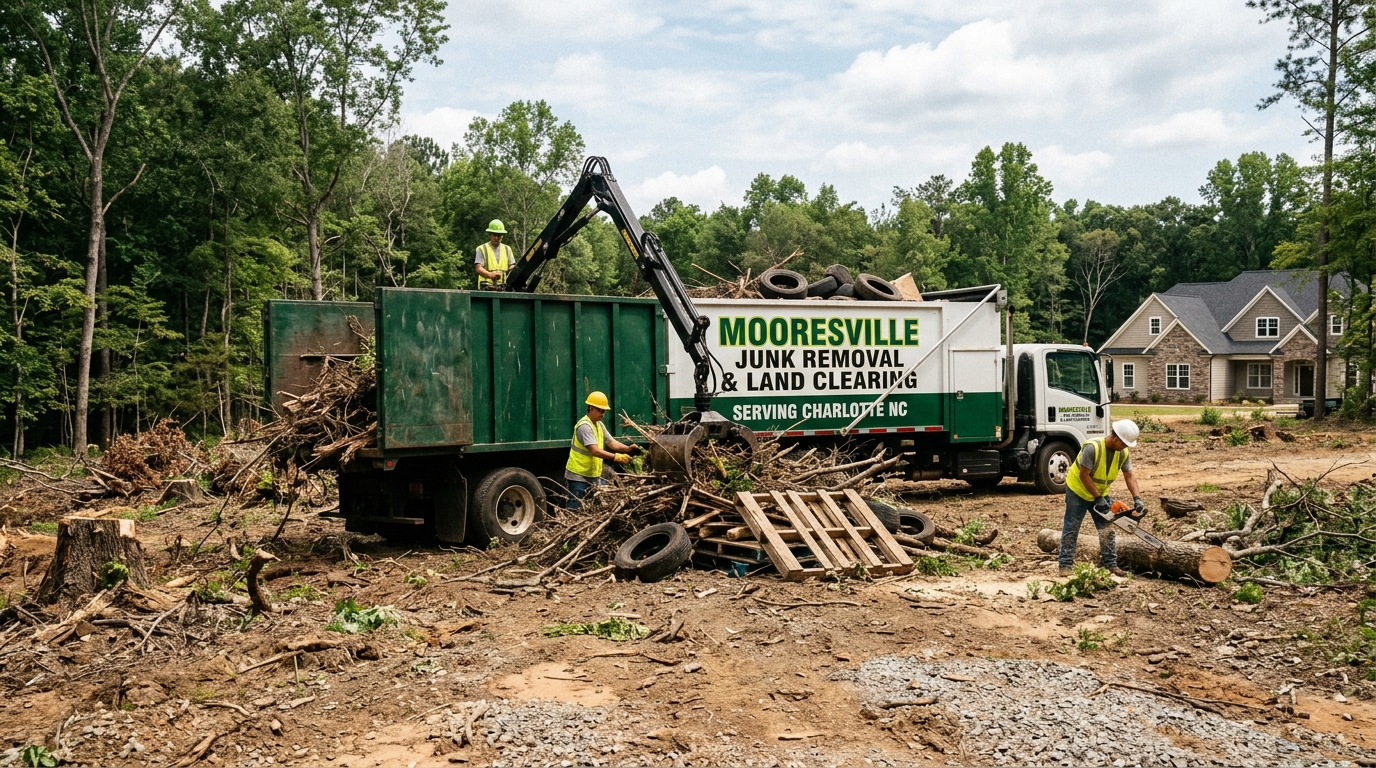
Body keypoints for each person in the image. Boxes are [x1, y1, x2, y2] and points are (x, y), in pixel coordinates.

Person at [1059, 419, 1144, 577]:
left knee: (1107, 527)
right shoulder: (1092, 448)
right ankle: (1065, 565)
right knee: (1072, 526)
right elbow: (1084, 475)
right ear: (1115, 437)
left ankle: (1110, 564)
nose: (1125, 447)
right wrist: (1098, 498)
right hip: (1078, 490)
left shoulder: (1123, 453)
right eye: (1123, 443)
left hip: (1100, 492)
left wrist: (1137, 498)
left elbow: (1129, 475)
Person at [565, 391, 639, 509]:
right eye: (600, 410)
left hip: (592, 475)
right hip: (578, 476)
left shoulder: (599, 425)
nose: (603, 414)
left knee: (592, 510)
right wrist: (616, 457)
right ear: (590, 408)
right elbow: (594, 450)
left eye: (604, 411)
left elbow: (612, 443)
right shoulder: (585, 426)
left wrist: (627, 449)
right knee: (576, 510)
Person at [475, 219, 514, 289]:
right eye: (494, 235)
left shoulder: (507, 249)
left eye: (499, 235)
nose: (496, 238)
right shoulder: (481, 249)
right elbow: (478, 268)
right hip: (485, 288)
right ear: (490, 235)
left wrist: (512, 269)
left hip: (503, 289)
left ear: (502, 235)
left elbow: (512, 266)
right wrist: (490, 275)